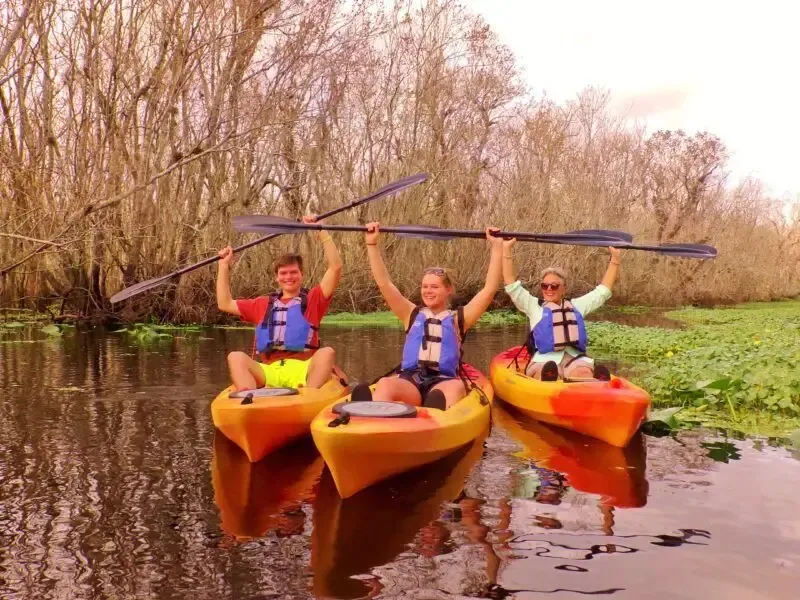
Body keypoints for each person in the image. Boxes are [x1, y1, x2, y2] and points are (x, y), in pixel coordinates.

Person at [349, 222, 504, 410]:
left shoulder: (458, 320)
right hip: (411, 381)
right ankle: (372, 414)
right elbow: (384, 284)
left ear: (448, 290)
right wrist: (372, 245)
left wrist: (497, 247)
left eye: (434, 287)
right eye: (424, 287)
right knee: (385, 384)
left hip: (443, 381)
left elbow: (489, 290)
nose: (428, 291)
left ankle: (437, 414)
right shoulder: (411, 314)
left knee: (454, 388)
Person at [216, 215, 343, 391]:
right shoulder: (263, 304)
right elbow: (224, 303)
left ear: (301, 275)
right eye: (283, 273)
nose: (288, 277)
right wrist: (223, 267)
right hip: (270, 371)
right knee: (235, 356)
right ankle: (248, 398)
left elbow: (335, 267)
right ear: (277, 277)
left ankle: (309, 396)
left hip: (304, 369)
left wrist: (321, 231)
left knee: (327, 352)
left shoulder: (314, 299)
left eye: (293, 272)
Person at [501, 238, 622, 381]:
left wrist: (615, 258)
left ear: (564, 288)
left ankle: (593, 382)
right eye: (545, 286)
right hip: (544, 360)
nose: (549, 289)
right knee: (546, 372)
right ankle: (550, 380)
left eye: (554, 286)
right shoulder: (533, 306)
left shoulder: (577, 305)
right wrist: (506, 249)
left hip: (574, 359)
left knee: (582, 372)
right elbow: (511, 286)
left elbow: (603, 292)